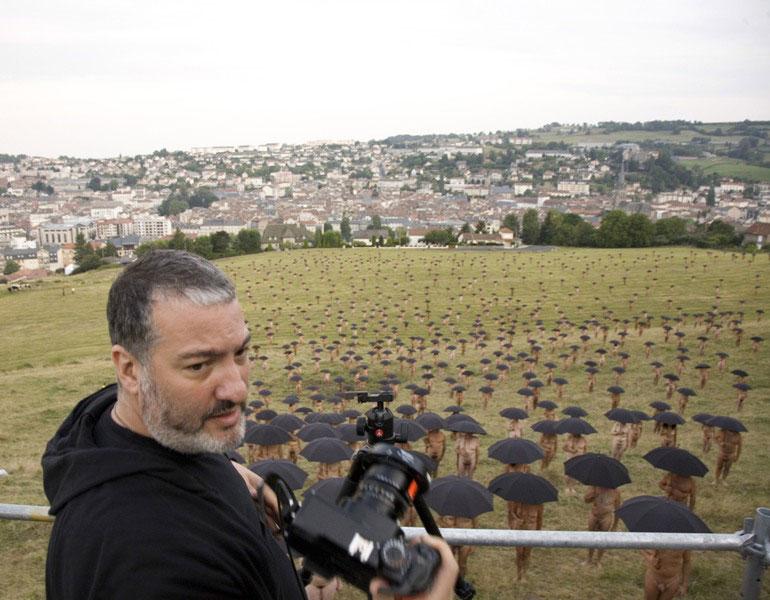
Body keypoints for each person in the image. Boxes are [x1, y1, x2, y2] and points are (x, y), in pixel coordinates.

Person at [43, 250, 457, 600]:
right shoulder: (151, 563)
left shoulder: (140, 435)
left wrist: (228, 476)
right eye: (200, 364)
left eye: (240, 353)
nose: (237, 388)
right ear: (130, 370)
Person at [507, 501, 544, 582]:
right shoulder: (515, 501)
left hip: (531, 531)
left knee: (527, 553)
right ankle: (518, 574)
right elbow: (511, 514)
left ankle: (524, 574)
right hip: (519, 530)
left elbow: (540, 519)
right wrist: (516, 520)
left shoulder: (538, 503)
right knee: (519, 553)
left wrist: (538, 533)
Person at [584, 486, 621, 565]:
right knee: (591, 538)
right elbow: (586, 500)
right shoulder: (594, 487)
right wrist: (591, 495)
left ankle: (598, 561)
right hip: (594, 515)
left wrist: (615, 525)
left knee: (603, 539)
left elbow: (618, 509)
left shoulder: (616, 491)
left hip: (606, 517)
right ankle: (589, 559)